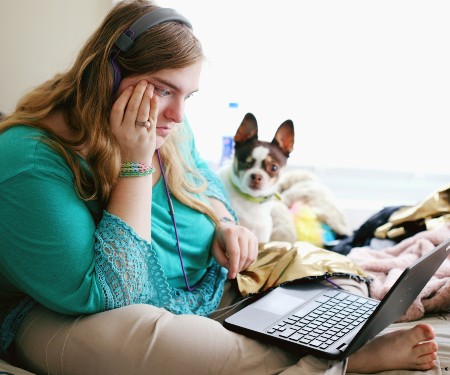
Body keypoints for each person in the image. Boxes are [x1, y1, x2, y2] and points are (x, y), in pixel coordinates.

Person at [0, 1, 439, 374]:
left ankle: (327, 338)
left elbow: (203, 179)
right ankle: (339, 358)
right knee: (163, 346)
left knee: (325, 268)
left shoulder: (168, 122)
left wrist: (226, 223)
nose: (175, 114)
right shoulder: (28, 159)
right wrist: (134, 163)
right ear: (108, 73)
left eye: (187, 96)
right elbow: (115, 292)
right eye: (163, 90)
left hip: (208, 284)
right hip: (82, 314)